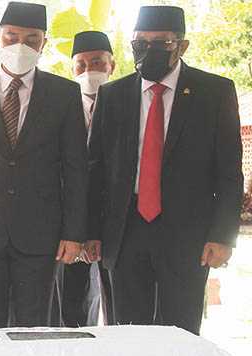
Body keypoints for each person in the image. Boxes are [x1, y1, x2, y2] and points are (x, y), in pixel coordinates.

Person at [87, 6, 243, 335]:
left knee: (181, 331)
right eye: (140, 42)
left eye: (160, 43)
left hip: (188, 234)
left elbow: (229, 172)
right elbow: (95, 170)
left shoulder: (214, 92)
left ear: (182, 46)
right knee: (127, 332)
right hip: (125, 231)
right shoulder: (113, 95)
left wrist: (222, 235)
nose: (148, 50)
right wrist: (90, 231)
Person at [0, 2, 88, 329]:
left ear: (44, 44)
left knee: (35, 324)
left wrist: (74, 233)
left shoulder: (64, 94)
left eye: (31, 39)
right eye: (11, 37)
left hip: (40, 231)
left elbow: (76, 169)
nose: (19, 46)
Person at [55, 31, 116, 328]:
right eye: (81, 64)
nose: (89, 70)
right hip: (68, 224)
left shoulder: (124, 105)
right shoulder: (62, 107)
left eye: (97, 62)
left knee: (109, 300)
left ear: (112, 65)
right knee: (70, 300)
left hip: (112, 223)